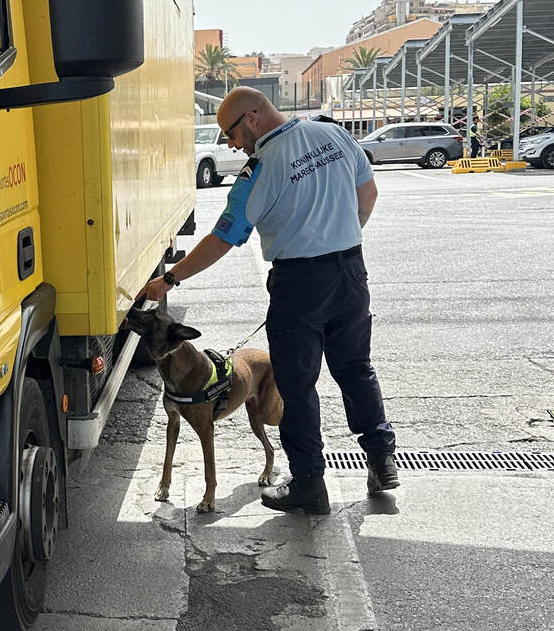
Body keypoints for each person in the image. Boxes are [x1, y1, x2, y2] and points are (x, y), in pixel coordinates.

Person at [139, 87, 397, 514]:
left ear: (253, 118)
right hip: (350, 271)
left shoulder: (258, 170)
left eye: (230, 133)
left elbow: (222, 239)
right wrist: (340, 241)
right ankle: (382, 460)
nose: (230, 144)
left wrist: (170, 278)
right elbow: (366, 197)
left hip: (299, 284)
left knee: (297, 385)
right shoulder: (333, 136)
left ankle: (310, 485)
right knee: (355, 369)